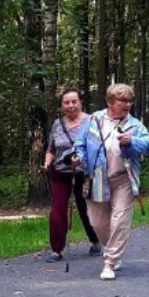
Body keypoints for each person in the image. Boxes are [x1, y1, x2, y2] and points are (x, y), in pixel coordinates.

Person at [73, 83, 149, 281]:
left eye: (129, 101)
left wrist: (132, 142)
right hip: (98, 178)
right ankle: (113, 250)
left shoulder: (134, 125)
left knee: (120, 221)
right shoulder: (93, 120)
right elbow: (80, 144)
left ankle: (109, 262)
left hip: (124, 179)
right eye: (122, 100)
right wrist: (77, 156)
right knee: (98, 223)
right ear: (110, 102)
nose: (127, 104)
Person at [42, 88, 101, 261]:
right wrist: (47, 162)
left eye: (74, 101)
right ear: (62, 105)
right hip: (61, 172)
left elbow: (98, 147)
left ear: (80, 102)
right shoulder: (57, 125)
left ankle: (96, 241)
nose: (71, 105)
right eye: (66, 102)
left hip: (84, 173)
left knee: (86, 208)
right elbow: (51, 149)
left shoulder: (92, 121)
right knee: (57, 210)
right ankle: (57, 249)